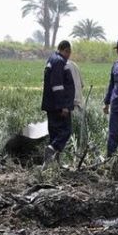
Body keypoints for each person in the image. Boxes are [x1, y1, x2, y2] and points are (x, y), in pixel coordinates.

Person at [41, 40, 75, 169]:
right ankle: (52, 149)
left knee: (54, 133)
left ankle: (52, 165)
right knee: (66, 131)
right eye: (69, 52)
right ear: (65, 50)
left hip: (51, 105)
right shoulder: (59, 61)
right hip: (58, 106)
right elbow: (58, 86)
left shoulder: (51, 59)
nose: (69, 55)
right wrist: (64, 106)